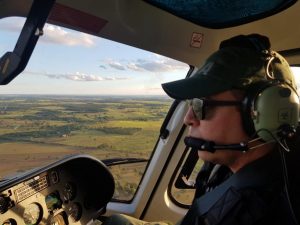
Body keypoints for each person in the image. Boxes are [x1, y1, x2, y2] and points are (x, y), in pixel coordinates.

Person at [102, 34, 300, 225]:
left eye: (200, 105)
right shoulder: (230, 166)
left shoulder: (256, 211)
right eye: (190, 104)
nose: (188, 119)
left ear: (265, 111)